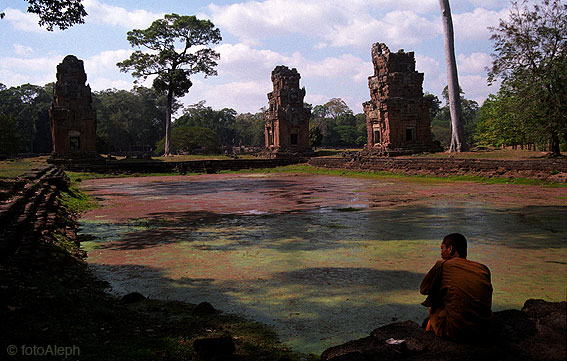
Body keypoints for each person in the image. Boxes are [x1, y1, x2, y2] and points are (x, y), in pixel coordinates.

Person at [420, 233, 493, 341]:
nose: (441, 253)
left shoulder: (443, 265)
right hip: (484, 329)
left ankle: (427, 337)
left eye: (442, 249)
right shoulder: (483, 269)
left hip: (457, 331)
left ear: (450, 249)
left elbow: (424, 289)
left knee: (435, 302)